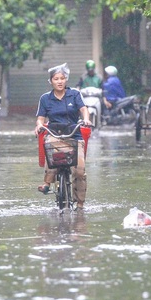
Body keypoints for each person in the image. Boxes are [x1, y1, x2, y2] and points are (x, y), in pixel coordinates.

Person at [35, 63, 92, 209]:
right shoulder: (45, 99)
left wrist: (86, 119)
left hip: (74, 134)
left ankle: (79, 203)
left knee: (79, 171)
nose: (59, 81)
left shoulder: (75, 94)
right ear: (51, 81)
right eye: (56, 79)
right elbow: (40, 119)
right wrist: (39, 125)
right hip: (54, 134)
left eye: (62, 78)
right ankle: (47, 183)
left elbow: (84, 110)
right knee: (50, 150)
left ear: (66, 79)